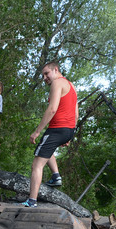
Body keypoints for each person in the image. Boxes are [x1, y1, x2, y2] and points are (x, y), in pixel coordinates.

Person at [21, 62, 77, 207]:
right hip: (68, 130)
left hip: (57, 128)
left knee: (36, 166)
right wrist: (69, 135)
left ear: (56, 70)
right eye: (43, 75)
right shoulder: (71, 86)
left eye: (47, 73)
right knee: (46, 148)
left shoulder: (57, 83)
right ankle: (56, 176)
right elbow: (76, 113)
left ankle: (31, 201)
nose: (45, 77)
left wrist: (37, 131)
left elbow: (52, 109)